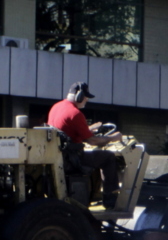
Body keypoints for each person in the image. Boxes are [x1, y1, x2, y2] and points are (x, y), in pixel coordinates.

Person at [47, 81, 123, 210]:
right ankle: (110, 199)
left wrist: (89, 130)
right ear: (80, 96)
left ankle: (96, 195)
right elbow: (92, 141)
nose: (87, 100)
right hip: (72, 159)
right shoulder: (75, 113)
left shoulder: (56, 107)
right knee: (108, 157)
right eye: (86, 97)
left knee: (98, 156)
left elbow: (68, 131)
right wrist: (113, 138)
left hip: (60, 155)